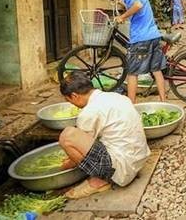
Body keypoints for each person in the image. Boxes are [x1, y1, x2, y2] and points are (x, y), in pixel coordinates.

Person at [58, 71, 150, 199]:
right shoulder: (115, 96)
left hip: (123, 170)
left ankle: (99, 181)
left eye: (69, 100)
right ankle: (103, 176)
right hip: (139, 160)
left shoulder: (88, 112)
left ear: (74, 96)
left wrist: (61, 168)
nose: (72, 104)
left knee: (67, 136)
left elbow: (84, 152)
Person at [114, 0, 166, 103]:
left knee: (132, 73)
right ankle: (163, 101)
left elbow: (137, 5)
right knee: (156, 70)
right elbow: (138, 5)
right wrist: (123, 3)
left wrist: (122, 16)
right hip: (154, 36)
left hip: (140, 39)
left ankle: (131, 104)